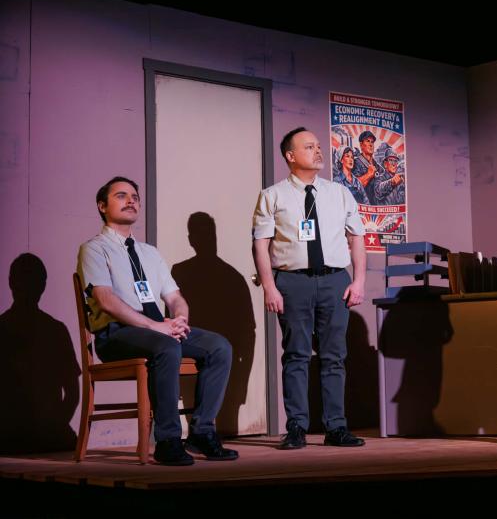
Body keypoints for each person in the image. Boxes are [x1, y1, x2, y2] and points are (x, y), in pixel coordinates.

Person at [77, 177, 238, 465]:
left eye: (135, 197)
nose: (131, 201)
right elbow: (105, 299)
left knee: (219, 346)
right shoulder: (94, 249)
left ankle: (201, 432)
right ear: (102, 206)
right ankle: (167, 441)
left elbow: (175, 297)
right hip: (117, 334)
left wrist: (180, 320)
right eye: (121, 196)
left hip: (158, 331)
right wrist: (156, 327)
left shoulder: (149, 253)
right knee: (167, 346)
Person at [252, 127, 367, 449]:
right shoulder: (272, 195)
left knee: (334, 357)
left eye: (318, 146)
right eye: (308, 147)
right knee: (296, 355)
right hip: (293, 282)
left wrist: (358, 280)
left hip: (334, 281)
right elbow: (260, 245)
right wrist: (269, 286)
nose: (318, 151)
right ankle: (297, 428)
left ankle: (336, 427)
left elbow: (357, 237)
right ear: (290, 156)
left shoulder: (339, 193)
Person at [352, 130, 380, 204]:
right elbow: (353, 187)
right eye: (368, 141)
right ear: (361, 145)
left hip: (377, 207)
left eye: (372, 142)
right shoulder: (355, 163)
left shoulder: (378, 166)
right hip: (363, 206)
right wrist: (368, 175)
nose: (371, 144)